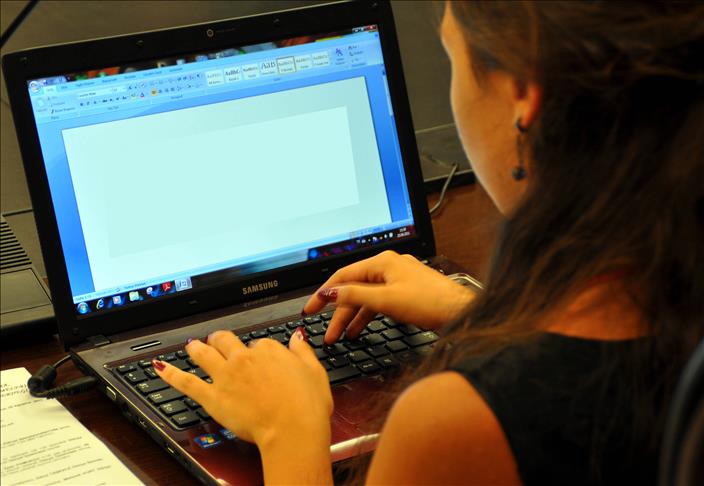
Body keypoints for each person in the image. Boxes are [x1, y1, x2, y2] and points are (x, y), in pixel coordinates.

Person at [152, 1, 704, 484]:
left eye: (452, 59)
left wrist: (288, 434)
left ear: (522, 94)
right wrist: (477, 316)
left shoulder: (459, 420)